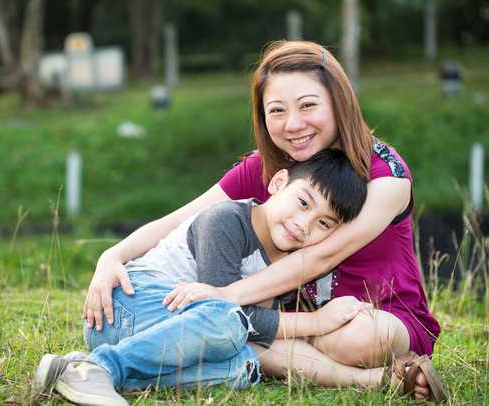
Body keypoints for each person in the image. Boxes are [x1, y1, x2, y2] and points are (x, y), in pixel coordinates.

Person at [82, 40, 445, 402]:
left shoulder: (385, 174)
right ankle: (370, 378)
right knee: (240, 342)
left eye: (308, 105)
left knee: (358, 337)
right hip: (280, 321)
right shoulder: (269, 167)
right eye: (277, 111)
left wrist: (226, 300)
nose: (293, 124)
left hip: (374, 314)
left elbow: (320, 257)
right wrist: (112, 255)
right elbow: (181, 219)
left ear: (339, 102)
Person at [35, 149, 370, 406]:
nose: (304, 224)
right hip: (125, 308)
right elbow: (224, 312)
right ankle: (104, 366)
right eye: (302, 203)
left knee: (244, 366)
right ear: (278, 183)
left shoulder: (291, 262)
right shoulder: (226, 220)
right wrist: (316, 322)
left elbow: (247, 329)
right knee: (229, 321)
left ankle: (91, 371)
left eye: (324, 223)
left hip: (163, 336)